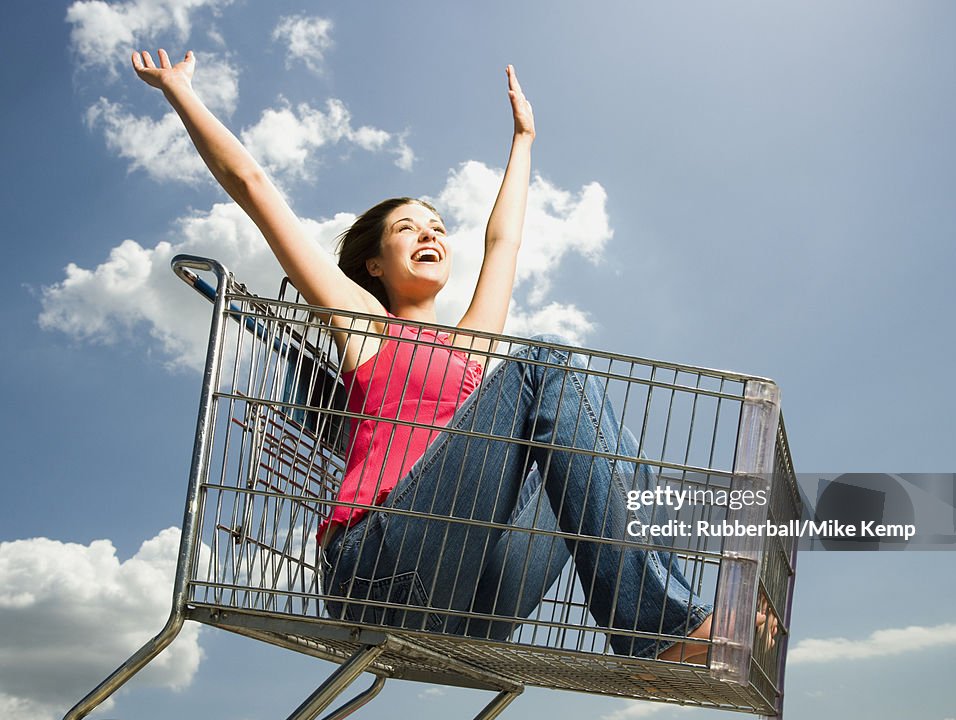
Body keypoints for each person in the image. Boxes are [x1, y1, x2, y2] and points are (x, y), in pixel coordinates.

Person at [133, 49, 771, 663]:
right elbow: (253, 186)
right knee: (550, 359)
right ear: (374, 265)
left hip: (473, 602)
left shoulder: (471, 344)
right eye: (408, 227)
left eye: (436, 225)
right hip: (380, 568)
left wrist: (524, 139)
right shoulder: (362, 324)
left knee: (604, 451)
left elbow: (505, 242)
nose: (430, 232)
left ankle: (664, 623)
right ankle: (665, 629)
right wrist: (180, 91)